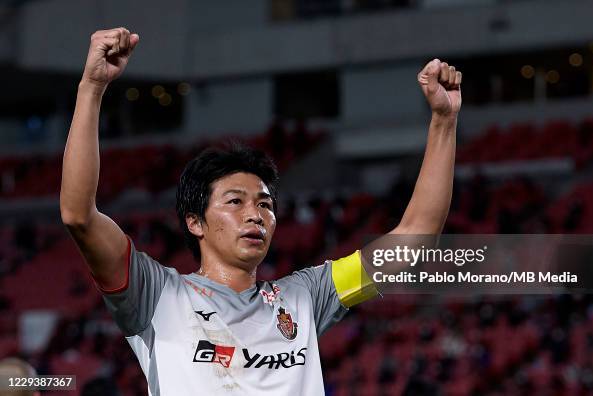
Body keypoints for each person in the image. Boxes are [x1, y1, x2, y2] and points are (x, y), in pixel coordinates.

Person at [60, 27, 462, 395]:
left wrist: (444, 121)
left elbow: (415, 240)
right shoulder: (155, 294)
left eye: (265, 204)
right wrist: (92, 87)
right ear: (194, 222)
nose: (256, 215)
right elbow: (79, 215)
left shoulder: (307, 296)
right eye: (235, 202)